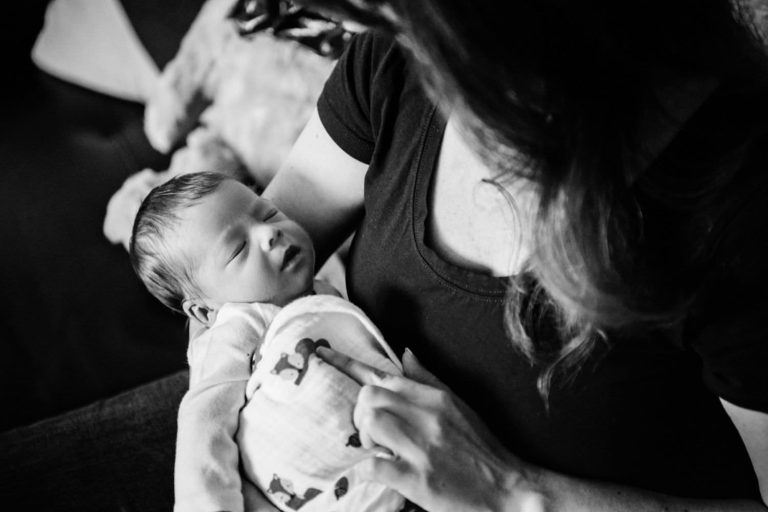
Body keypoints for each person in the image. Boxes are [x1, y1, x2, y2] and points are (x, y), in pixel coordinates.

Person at [2, 1, 768, 511]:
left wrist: (509, 490)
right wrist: (242, 401)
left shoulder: (732, 206)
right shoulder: (395, 60)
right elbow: (276, 221)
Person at [130, 171, 408, 512]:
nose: (270, 233)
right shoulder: (239, 324)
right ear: (204, 311)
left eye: (268, 213)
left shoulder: (321, 290)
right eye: (238, 249)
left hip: (387, 463)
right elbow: (204, 421)